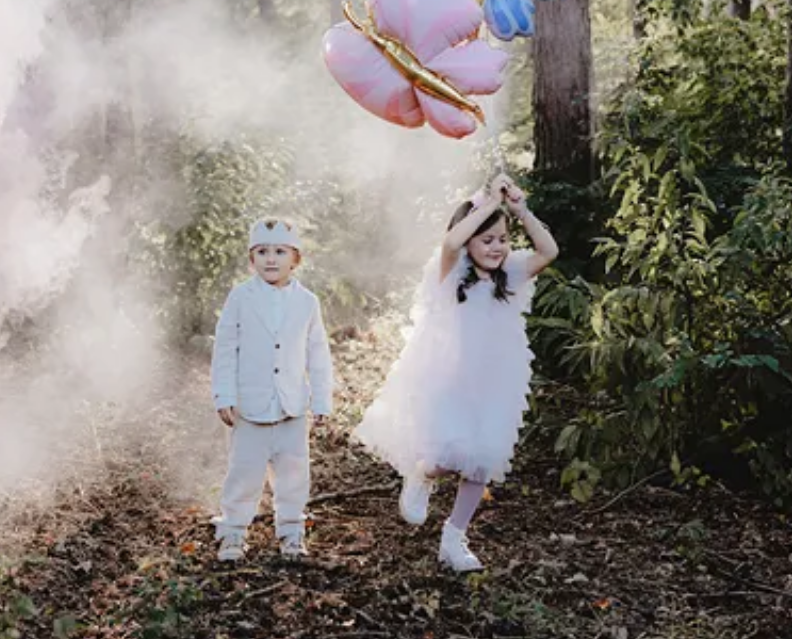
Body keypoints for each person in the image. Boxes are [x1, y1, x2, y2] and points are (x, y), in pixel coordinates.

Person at [354, 173, 558, 572]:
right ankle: (422, 475)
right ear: (468, 243)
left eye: (502, 238)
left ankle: (454, 538)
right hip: (451, 378)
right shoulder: (449, 274)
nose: (497, 247)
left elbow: (549, 250)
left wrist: (519, 210)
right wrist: (485, 202)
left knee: (483, 460)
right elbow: (449, 241)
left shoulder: (512, 274)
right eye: (487, 239)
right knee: (447, 454)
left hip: (496, 380)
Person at [211, 217, 333, 562]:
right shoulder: (240, 296)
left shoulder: (308, 302)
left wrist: (322, 399)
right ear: (252, 258)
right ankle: (233, 532)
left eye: (280, 251)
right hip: (250, 406)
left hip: (291, 406)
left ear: (295, 258)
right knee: (244, 472)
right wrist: (224, 395)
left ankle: (292, 531)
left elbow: (318, 353)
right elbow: (225, 347)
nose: (270, 259)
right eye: (262, 251)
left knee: (294, 474)